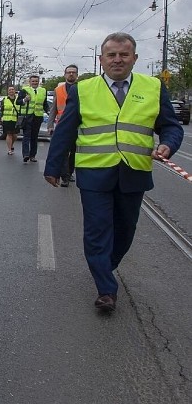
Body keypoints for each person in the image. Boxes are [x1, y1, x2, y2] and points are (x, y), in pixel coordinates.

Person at [44, 33, 183, 313]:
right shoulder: (82, 90)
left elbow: (171, 126)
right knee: (97, 230)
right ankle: (106, 289)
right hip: (94, 173)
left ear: (135, 58)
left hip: (134, 173)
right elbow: (66, 131)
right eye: (111, 55)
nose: (117, 60)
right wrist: (53, 166)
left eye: (124, 55)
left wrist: (168, 144)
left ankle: (104, 266)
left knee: (125, 231)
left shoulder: (154, 87)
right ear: (101, 60)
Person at [47, 65, 79, 186]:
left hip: (77, 126)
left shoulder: (82, 88)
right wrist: (50, 125)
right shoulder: (58, 90)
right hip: (62, 126)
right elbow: (53, 109)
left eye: (73, 72)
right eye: (69, 72)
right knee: (64, 152)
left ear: (77, 75)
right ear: (65, 74)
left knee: (74, 152)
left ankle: (70, 173)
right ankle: (65, 176)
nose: (71, 74)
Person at [16, 74, 48, 163]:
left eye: (36, 81)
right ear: (30, 82)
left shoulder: (43, 91)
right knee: (26, 136)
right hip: (27, 116)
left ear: (39, 82)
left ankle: (32, 155)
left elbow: (45, 104)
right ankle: (26, 155)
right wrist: (24, 100)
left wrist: (49, 112)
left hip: (38, 116)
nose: (35, 83)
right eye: (33, 81)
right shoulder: (24, 90)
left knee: (34, 137)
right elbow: (18, 102)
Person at [0, 86, 20, 155]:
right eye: (10, 90)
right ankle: (9, 149)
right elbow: (1, 110)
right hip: (7, 120)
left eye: (12, 89)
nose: (11, 91)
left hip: (16, 120)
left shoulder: (18, 99)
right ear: (8, 91)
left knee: (15, 135)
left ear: (15, 91)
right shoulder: (4, 99)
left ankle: (11, 145)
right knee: (9, 134)